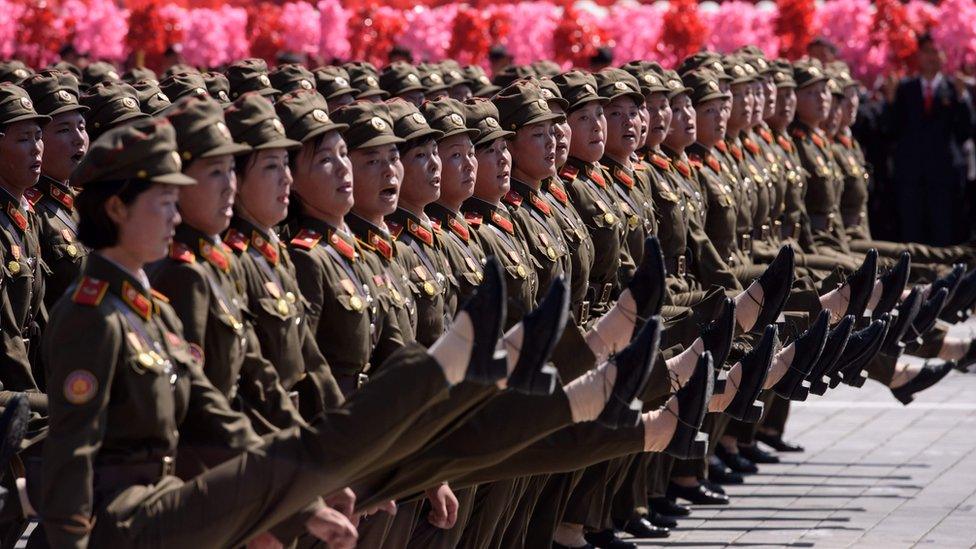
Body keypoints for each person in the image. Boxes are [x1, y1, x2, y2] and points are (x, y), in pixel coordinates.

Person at [885, 33, 975, 246]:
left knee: (943, 230)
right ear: (918, 56)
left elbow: (965, 132)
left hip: (944, 176)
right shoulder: (905, 88)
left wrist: (963, 99)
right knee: (912, 231)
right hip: (911, 174)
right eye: (926, 51)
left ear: (945, 56)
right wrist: (890, 101)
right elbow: (892, 129)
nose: (931, 57)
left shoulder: (955, 89)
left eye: (936, 51)